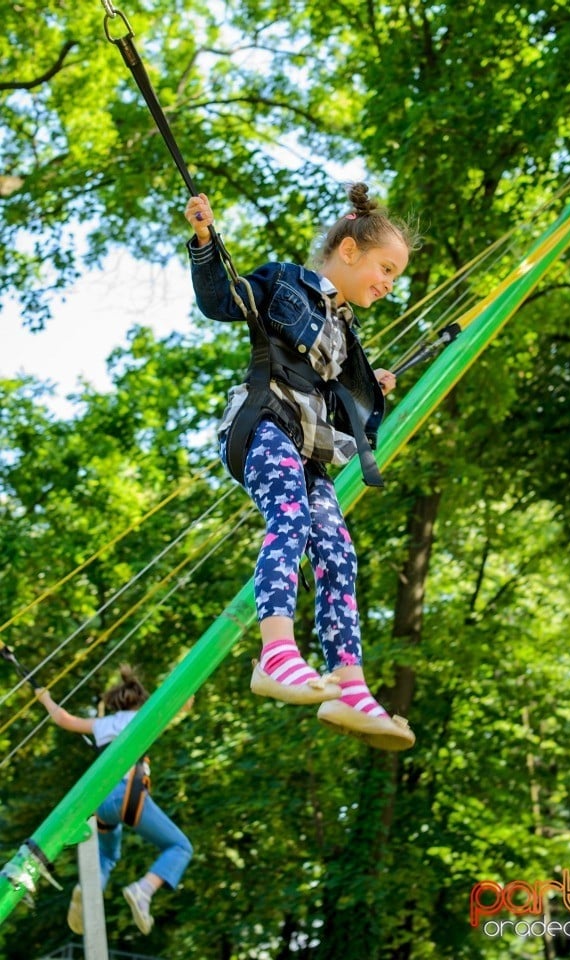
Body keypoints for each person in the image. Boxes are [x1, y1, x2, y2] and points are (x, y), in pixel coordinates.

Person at [184, 182, 417, 752]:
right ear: (348, 251)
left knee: (339, 551)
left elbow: (345, 416)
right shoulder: (285, 281)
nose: (388, 283)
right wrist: (205, 240)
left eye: (396, 276)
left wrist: (369, 387)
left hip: (309, 446)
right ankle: (276, 653)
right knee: (289, 517)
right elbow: (223, 301)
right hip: (262, 424)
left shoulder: (348, 337)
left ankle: (349, 686)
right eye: (385, 268)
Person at [36, 665, 193, 936]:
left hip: (100, 802)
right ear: (141, 701)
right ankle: (143, 890)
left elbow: (62, 719)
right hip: (128, 795)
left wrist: (44, 698)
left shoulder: (102, 724)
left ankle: (89, 888)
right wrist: (192, 677)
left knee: (107, 854)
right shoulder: (148, 717)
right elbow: (185, 704)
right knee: (180, 846)